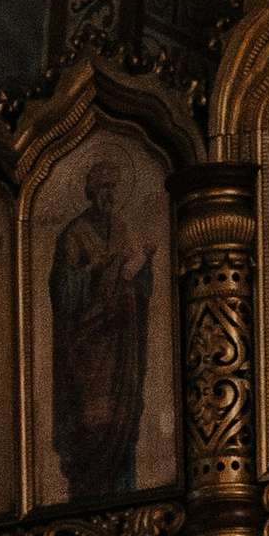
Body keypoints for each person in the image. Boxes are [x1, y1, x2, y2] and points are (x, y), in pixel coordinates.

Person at [46, 159, 155, 498]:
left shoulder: (123, 228)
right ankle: (89, 498)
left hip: (122, 346)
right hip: (88, 350)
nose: (110, 193)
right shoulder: (74, 234)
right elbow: (61, 289)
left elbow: (140, 284)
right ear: (91, 190)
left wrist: (141, 269)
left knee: (122, 420)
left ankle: (124, 495)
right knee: (92, 423)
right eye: (104, 186)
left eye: (113, 186)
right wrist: (92, 272)